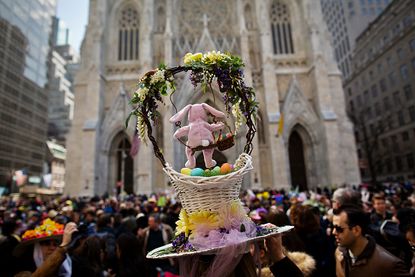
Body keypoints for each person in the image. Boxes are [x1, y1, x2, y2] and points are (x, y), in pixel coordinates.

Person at [332, 205, 410, 277]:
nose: (333, 232)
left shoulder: (388, 264)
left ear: (356, 230)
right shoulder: (339, 252)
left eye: (339, 229)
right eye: (333, 227)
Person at [13, 220, 77, 277]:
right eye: (46, 244)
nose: (52, 248)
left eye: (55, 244)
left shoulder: (70, 267)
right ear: (37, 248)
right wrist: (63, 246)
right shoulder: (24, 269)